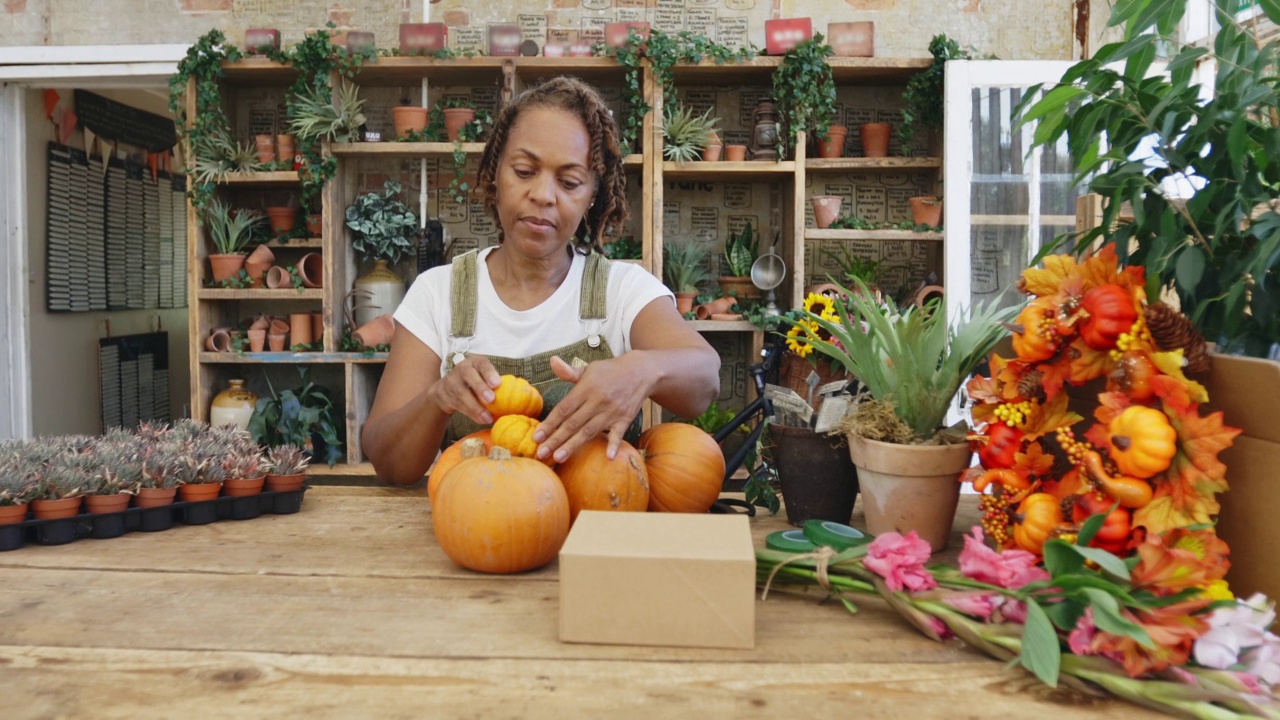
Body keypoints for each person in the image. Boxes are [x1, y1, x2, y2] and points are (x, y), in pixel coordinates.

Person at [363, 76, 721, 486]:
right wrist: (438, 398)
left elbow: (706, 380)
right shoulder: (438, 293)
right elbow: (389, 462)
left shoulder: (622, 289)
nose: (543, 194)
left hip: (598, 528)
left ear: (591, 195)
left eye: (569, 182)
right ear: (495, 175)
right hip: (481, 531)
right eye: (524, 170)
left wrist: (642, 369)